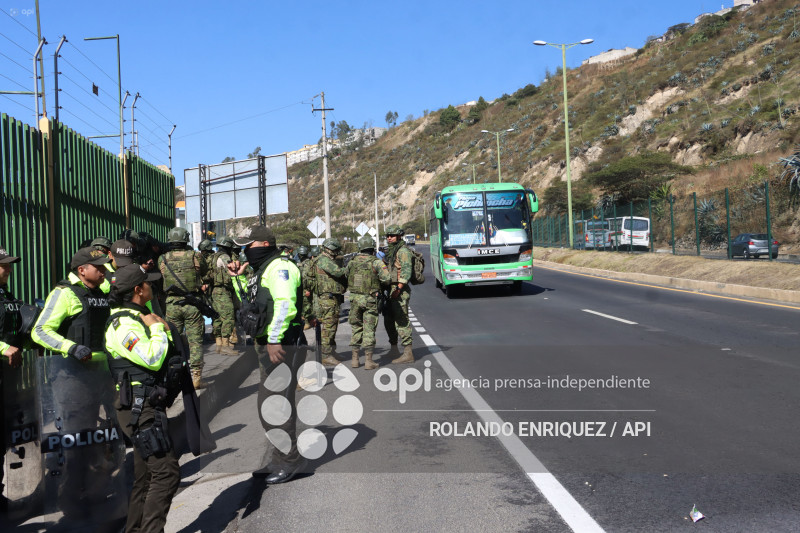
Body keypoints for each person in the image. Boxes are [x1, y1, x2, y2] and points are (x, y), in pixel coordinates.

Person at [31, 247, 127, 520]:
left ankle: (97, 492)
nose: (104, 271)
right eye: (98, 267)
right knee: (79, 441)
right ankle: (72, 501)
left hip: (102, 374)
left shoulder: (102, 292)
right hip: (73, 377)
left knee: (102, 439)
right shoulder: (64, 294)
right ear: (81, 270)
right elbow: (40, 330)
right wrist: (71, 348)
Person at [104, 264, 182, 533]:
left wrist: (161, 327)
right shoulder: (123, 324)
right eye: (147, 283)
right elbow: (151, 357)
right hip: (140, 409)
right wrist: (158, 329)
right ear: (138, 289)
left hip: (147, 405)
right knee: (167, 474)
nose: (151, 286)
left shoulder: (139, 317)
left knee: (147, 478)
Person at [229, 224, 307, 484]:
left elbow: (285, 305)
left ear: (263, 244)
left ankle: (291, 461)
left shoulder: (280, 268)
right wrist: (238, 278)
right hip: (269, 345)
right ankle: (280, 457)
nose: (243, 252)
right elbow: (253, 305)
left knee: (275, 405)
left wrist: (274, 339)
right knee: (271, 405)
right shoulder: (261, 270)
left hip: (283, 344)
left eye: (247, 246)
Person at [158, 227, 209, 389]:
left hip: (172, 304)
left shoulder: (163, 258)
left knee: (173, 340)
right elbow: (204, 270)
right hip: (192, 303)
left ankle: (175, 374)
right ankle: (196, 377)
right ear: (186, 239)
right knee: (195, 341)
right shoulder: (195, 256)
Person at [0, 247, 27, 511]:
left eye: (9, 265)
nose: (9, 269)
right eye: (4, 265)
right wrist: (3, 347)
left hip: (8, 376)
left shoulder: (5, 294)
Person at [346, 236, 390, 369]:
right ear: (372, 248)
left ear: (360, 248)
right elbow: (386, 279)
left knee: (356, 328)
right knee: (369, 330)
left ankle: (355, 360)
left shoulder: (351, 262)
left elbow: (346, 275)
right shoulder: (376, 262)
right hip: (370, 300)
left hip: (354, 300)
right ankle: (369, 361)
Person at [383, 225, 414, 364]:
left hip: (399, 290)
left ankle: (408, 353)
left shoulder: (403, 251)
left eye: (392, 235)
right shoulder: (391, 251)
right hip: (390, 289)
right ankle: (394, 348)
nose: (389, 238)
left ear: (399, 236)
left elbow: (406, 271)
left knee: (401, 320)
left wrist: (399, 288)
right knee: (388, 320)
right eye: (387, 235)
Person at [314, 238, 347, 366]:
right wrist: (350, 268)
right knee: (329, 327)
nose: (337, 253)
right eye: (336, 250)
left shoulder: (324, 259)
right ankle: (326, 355)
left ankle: (331, 351)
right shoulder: (324, 260)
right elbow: (338, 272)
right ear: (330, 249)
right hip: (328, 298)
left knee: (333, 325)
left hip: (331, 297)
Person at [209, 237, 238, 355]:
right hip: (223, 291)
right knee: (228, 317)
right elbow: (232, 268)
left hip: (214, 291)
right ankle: (225, 346)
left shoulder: (213, 257)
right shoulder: (225, 257)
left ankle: (219, 345)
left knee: (218, 318)